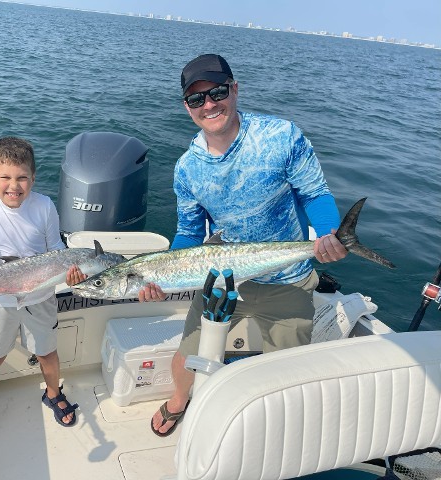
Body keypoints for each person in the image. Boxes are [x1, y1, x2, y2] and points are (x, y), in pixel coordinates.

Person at [141, 54, 349, 437]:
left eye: (217, 92)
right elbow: (189, 232)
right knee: (189, 354)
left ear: (234, 90)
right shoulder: (187, 167)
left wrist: (328, 233)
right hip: (223, 280)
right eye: (196, 99)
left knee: (284, 371)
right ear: (186, 107)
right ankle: (178, 401)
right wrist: (163, 273)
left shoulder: (280, 136)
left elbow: (314, 193)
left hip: (288, 279)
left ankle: (273, 429)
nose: (209, 105)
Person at [0, 136, 86, 442]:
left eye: (22, 178)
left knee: (47, 352)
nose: (14, 186)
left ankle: (52, 393)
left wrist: (72, 274)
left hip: (41, 296)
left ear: (33, 178)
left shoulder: (45, 205)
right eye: (5, 177)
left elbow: (56, 249)